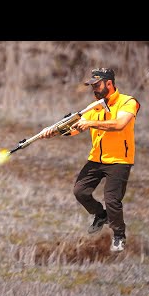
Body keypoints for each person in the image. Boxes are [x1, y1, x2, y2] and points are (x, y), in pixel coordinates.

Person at [40, 68, 140, 252]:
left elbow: (119, 124)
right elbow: (75, 129)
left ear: (109, 83)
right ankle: (100, 215)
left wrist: (91, 123)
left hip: (120, 160)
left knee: (112, 200)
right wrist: (54, 132)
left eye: (97, 84)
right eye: (92, 85)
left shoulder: (128, 102)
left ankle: (119, 235)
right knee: (80, 191)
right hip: (96, 159)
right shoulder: (93, 108)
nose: (94, 88)